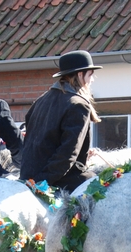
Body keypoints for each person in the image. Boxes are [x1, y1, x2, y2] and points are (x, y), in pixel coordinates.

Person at [19, 50, 101, 191]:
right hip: (57, 180)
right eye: (90, 74)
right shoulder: (78, 104)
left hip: (27, 175)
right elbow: (68, 153)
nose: (92, 80)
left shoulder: (40, 100)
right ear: (80, 74)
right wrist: (41, 181)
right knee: (103, 185)